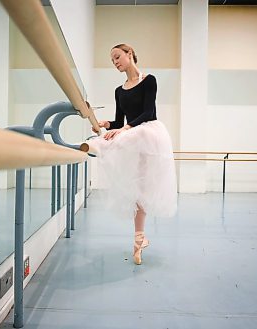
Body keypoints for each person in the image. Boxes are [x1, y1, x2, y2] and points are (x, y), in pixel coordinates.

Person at [83, 43, 177, 265]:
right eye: (112, 60)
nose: (115, 62)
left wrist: (123, 129)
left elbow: (148, 112)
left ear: (130, 54)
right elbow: (118, 120)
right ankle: (139, 238)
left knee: (141, 183)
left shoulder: (149, 80)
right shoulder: (119, 90)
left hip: (149, 135)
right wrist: (106, 123)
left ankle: (97, 146)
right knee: (137, 189)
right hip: (132, 136)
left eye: (117, 57)